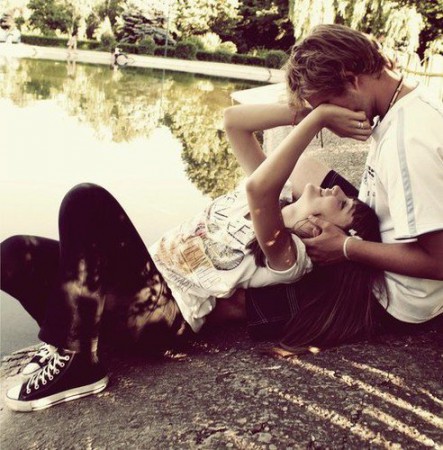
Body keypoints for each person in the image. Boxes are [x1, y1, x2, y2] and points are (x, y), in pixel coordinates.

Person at [1, 100, 383, 412]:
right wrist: (307, 109)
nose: (336, 190)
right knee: (14, 254)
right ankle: (66, 341)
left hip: (165, 313)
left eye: (343, 204)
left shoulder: (290, 255)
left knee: (87, 201)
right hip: (137, 285)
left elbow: (259, 189)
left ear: (328, 231)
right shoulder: (279, 197)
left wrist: (318, 121)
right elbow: (234, 121)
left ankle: (78, 362)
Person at [244, 24, 443, 342]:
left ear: (351, 79)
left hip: (397, 296)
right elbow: (234, 120)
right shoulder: (406, 103)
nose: (330, 116)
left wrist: (346, 248)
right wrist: (316, 117)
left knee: (257, 286)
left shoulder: (408, 144)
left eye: (328, 103)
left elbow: (439, 262)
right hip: (381, 219)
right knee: (305, 170)